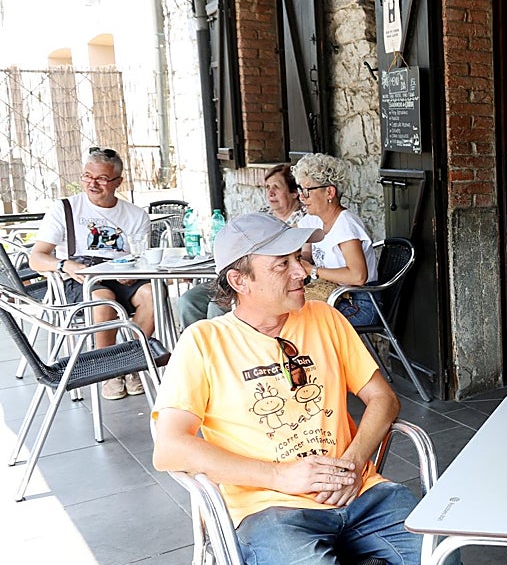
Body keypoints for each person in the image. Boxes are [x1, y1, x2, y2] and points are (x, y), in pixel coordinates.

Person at [152, 212, 438, 565]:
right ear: (239, 280)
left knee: (438, 556)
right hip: (267, 508)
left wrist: (353, 462)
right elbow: (170, 445)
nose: (302, 271)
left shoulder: (325, 318)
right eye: (282, 264)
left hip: (358, 490)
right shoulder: (204, 342)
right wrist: (281, 477)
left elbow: (383, 398)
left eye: (299, 259)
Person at [29, 146, 154, 401]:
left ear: (118, 182)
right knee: (104, 300)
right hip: (80, 278)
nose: (92, 184)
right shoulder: (64, 209)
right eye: (87, 176)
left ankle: (131, 362)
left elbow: (142, 256)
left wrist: (134, 271)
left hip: (122, 274)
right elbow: (36, 258)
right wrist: (65, 265)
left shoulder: (136, 215)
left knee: (152, 294)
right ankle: (108, 370)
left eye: (101, 178)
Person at [177, 163, 306, 328]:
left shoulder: (304, 219)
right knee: (189, 300)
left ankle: (227, 350)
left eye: (276, 187)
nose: (270, 192)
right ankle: (201, 348)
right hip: (243, 274)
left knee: (216, 307)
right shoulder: (262, 214)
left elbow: (305, 256)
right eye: (267, 187)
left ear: (294, 192)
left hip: (266, 282)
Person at [294, 153, 380, 327]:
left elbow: (358, 276)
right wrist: (300, 260)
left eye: (307, 191)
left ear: (329, 192)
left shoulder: (345, 225)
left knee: (305, 325)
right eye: (300, 190)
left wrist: (313, 270)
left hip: (360, 302)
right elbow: (305, 252)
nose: (302, 197)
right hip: (333, 295)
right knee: (289, 315)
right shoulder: (314, 219)